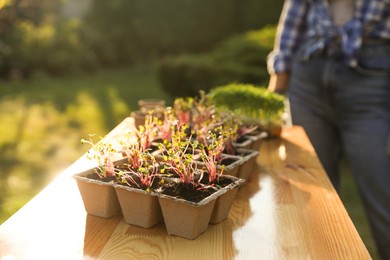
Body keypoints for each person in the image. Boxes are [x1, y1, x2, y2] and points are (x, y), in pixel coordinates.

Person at [267, 0, 390, 259]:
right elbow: (297, 10)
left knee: (383, 192)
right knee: (309, 192)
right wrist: (277, 85)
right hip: (309, 70)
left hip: (372, 76)